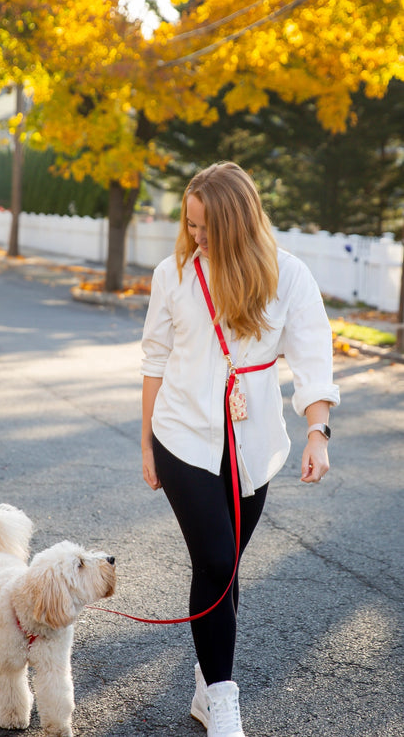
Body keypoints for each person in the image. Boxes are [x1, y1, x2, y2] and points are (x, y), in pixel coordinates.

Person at [140, 162, 340, 737]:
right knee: (216, 560)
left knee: (226, 566)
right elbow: (154, 361)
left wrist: (317, 431)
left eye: (205, 226)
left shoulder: (288, 276)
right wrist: (147, 445)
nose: (196, 237)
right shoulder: (173, 274)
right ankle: (224, 702)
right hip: (181, 434)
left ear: (235, 222)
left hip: (252, 442)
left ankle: (207, 683)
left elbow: (311, 356)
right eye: (190, 224)